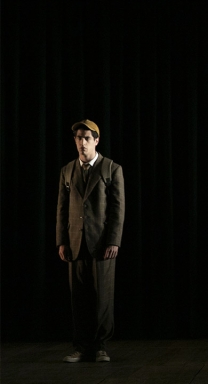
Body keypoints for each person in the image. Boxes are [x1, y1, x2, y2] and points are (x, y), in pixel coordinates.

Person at [56, 119, 125, 363]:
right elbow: (62, 209)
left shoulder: (111, 168)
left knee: (103, 297)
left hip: (101, 243)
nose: (82, 142)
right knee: (79, 297)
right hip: (75, 242)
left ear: (96, 141)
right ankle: (81, 346)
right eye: (79, 138)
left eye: (87, 138)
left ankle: (100, 346)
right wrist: (62, 241)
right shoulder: (67, 170)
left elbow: (118, 209)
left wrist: (114, 241)